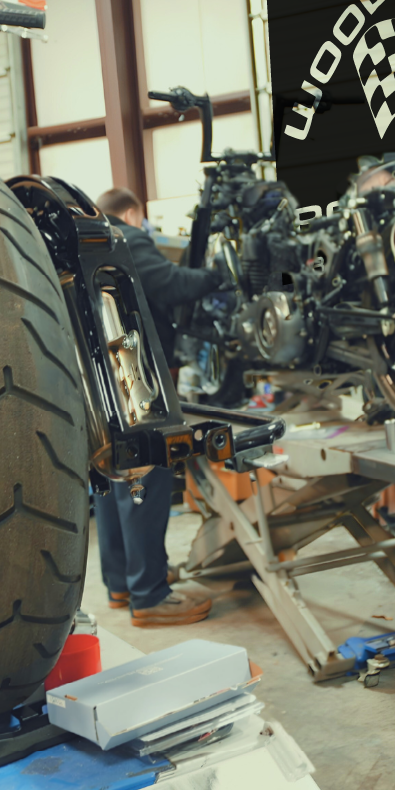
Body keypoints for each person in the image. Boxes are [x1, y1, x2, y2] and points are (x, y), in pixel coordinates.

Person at [91, 186, 223, 626]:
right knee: (147, 474)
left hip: (103, 385)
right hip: (138, 380)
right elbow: (167, 283)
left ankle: (123, 582)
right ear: (133, 214)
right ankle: (149, 595)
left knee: (112, 478)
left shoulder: (83, 245)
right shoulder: (125, 237)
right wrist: (216, 276)